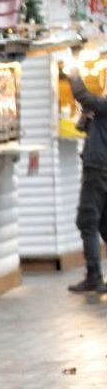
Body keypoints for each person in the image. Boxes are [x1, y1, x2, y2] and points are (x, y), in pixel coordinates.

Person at [67, 64, 107, 293]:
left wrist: (73, 75)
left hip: (98, 167)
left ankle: (94, 276)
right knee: (104, 225)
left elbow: (84, 97)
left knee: (87, 222)